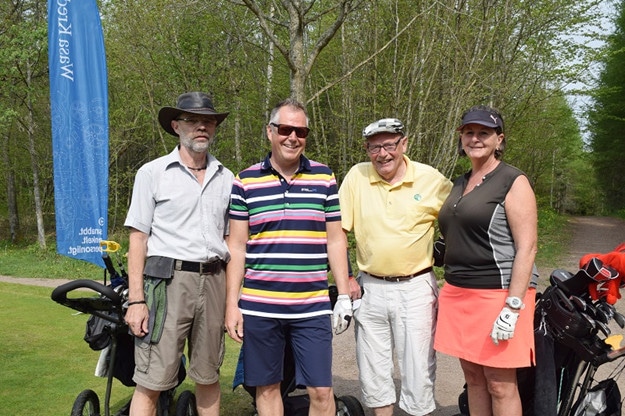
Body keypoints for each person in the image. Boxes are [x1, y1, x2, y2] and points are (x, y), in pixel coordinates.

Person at [225, 98, 355, 416]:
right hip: (259, 306)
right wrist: (232, 304)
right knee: (268, 388)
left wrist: (343, 296)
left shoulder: (324, 178)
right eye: (285, 129)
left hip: (311, 307)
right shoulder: (245, 181)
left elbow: (336, 239)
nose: (293, 137)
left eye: (301, 131)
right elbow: (236, 246)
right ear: (270, 132)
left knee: (322, 391)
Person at [124, 92, 233, 416]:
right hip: (167, 283)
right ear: (176, 125)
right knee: (153, 381)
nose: (202, 126)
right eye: (193, 120)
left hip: (215, 280)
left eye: (209, 121)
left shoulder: (227, 178)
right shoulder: (152, 173)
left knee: (209, 376)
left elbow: (232, 240)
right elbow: (137, 240)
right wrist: (137, 300)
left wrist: (232, 301)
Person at [338, 118, 452, 416]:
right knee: (373, 369)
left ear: (404, 144)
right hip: (369, 287)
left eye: (390, 144)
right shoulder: (356, 176)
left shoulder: (431, 179)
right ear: (366, 149)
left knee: (418, 368)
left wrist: (445, 251)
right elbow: (336, 232)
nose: (383, 153)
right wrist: (346, 278)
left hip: (415, 287)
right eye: (374, 147)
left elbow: (461, 218)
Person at [434, 105, 539, 416]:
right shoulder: (458, 182)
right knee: (474, 380)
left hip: (499, 294)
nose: (475, 138)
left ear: (499, 139)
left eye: (484, 133)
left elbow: (528, 247)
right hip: (458, 292)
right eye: (469, 132)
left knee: (500, 383)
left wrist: (513, 305)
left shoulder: (512, 180)